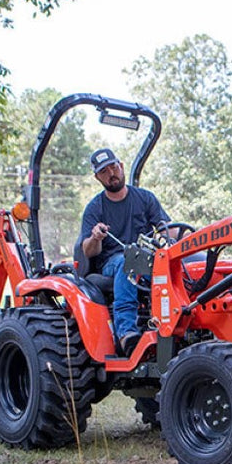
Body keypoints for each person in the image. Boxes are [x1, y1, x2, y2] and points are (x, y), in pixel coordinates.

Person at [80, 148, 171, 355]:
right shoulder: (95, 208)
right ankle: (126, 333)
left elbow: (168, 228)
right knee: (127, 261)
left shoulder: (145, 199)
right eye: (104, 171)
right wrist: (95, 237)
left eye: (113, 167)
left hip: (149, 259)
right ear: (97, 177)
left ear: (121, 166)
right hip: (113, 263)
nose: (111, 173)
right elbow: (88, 251)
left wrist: (188, 239)